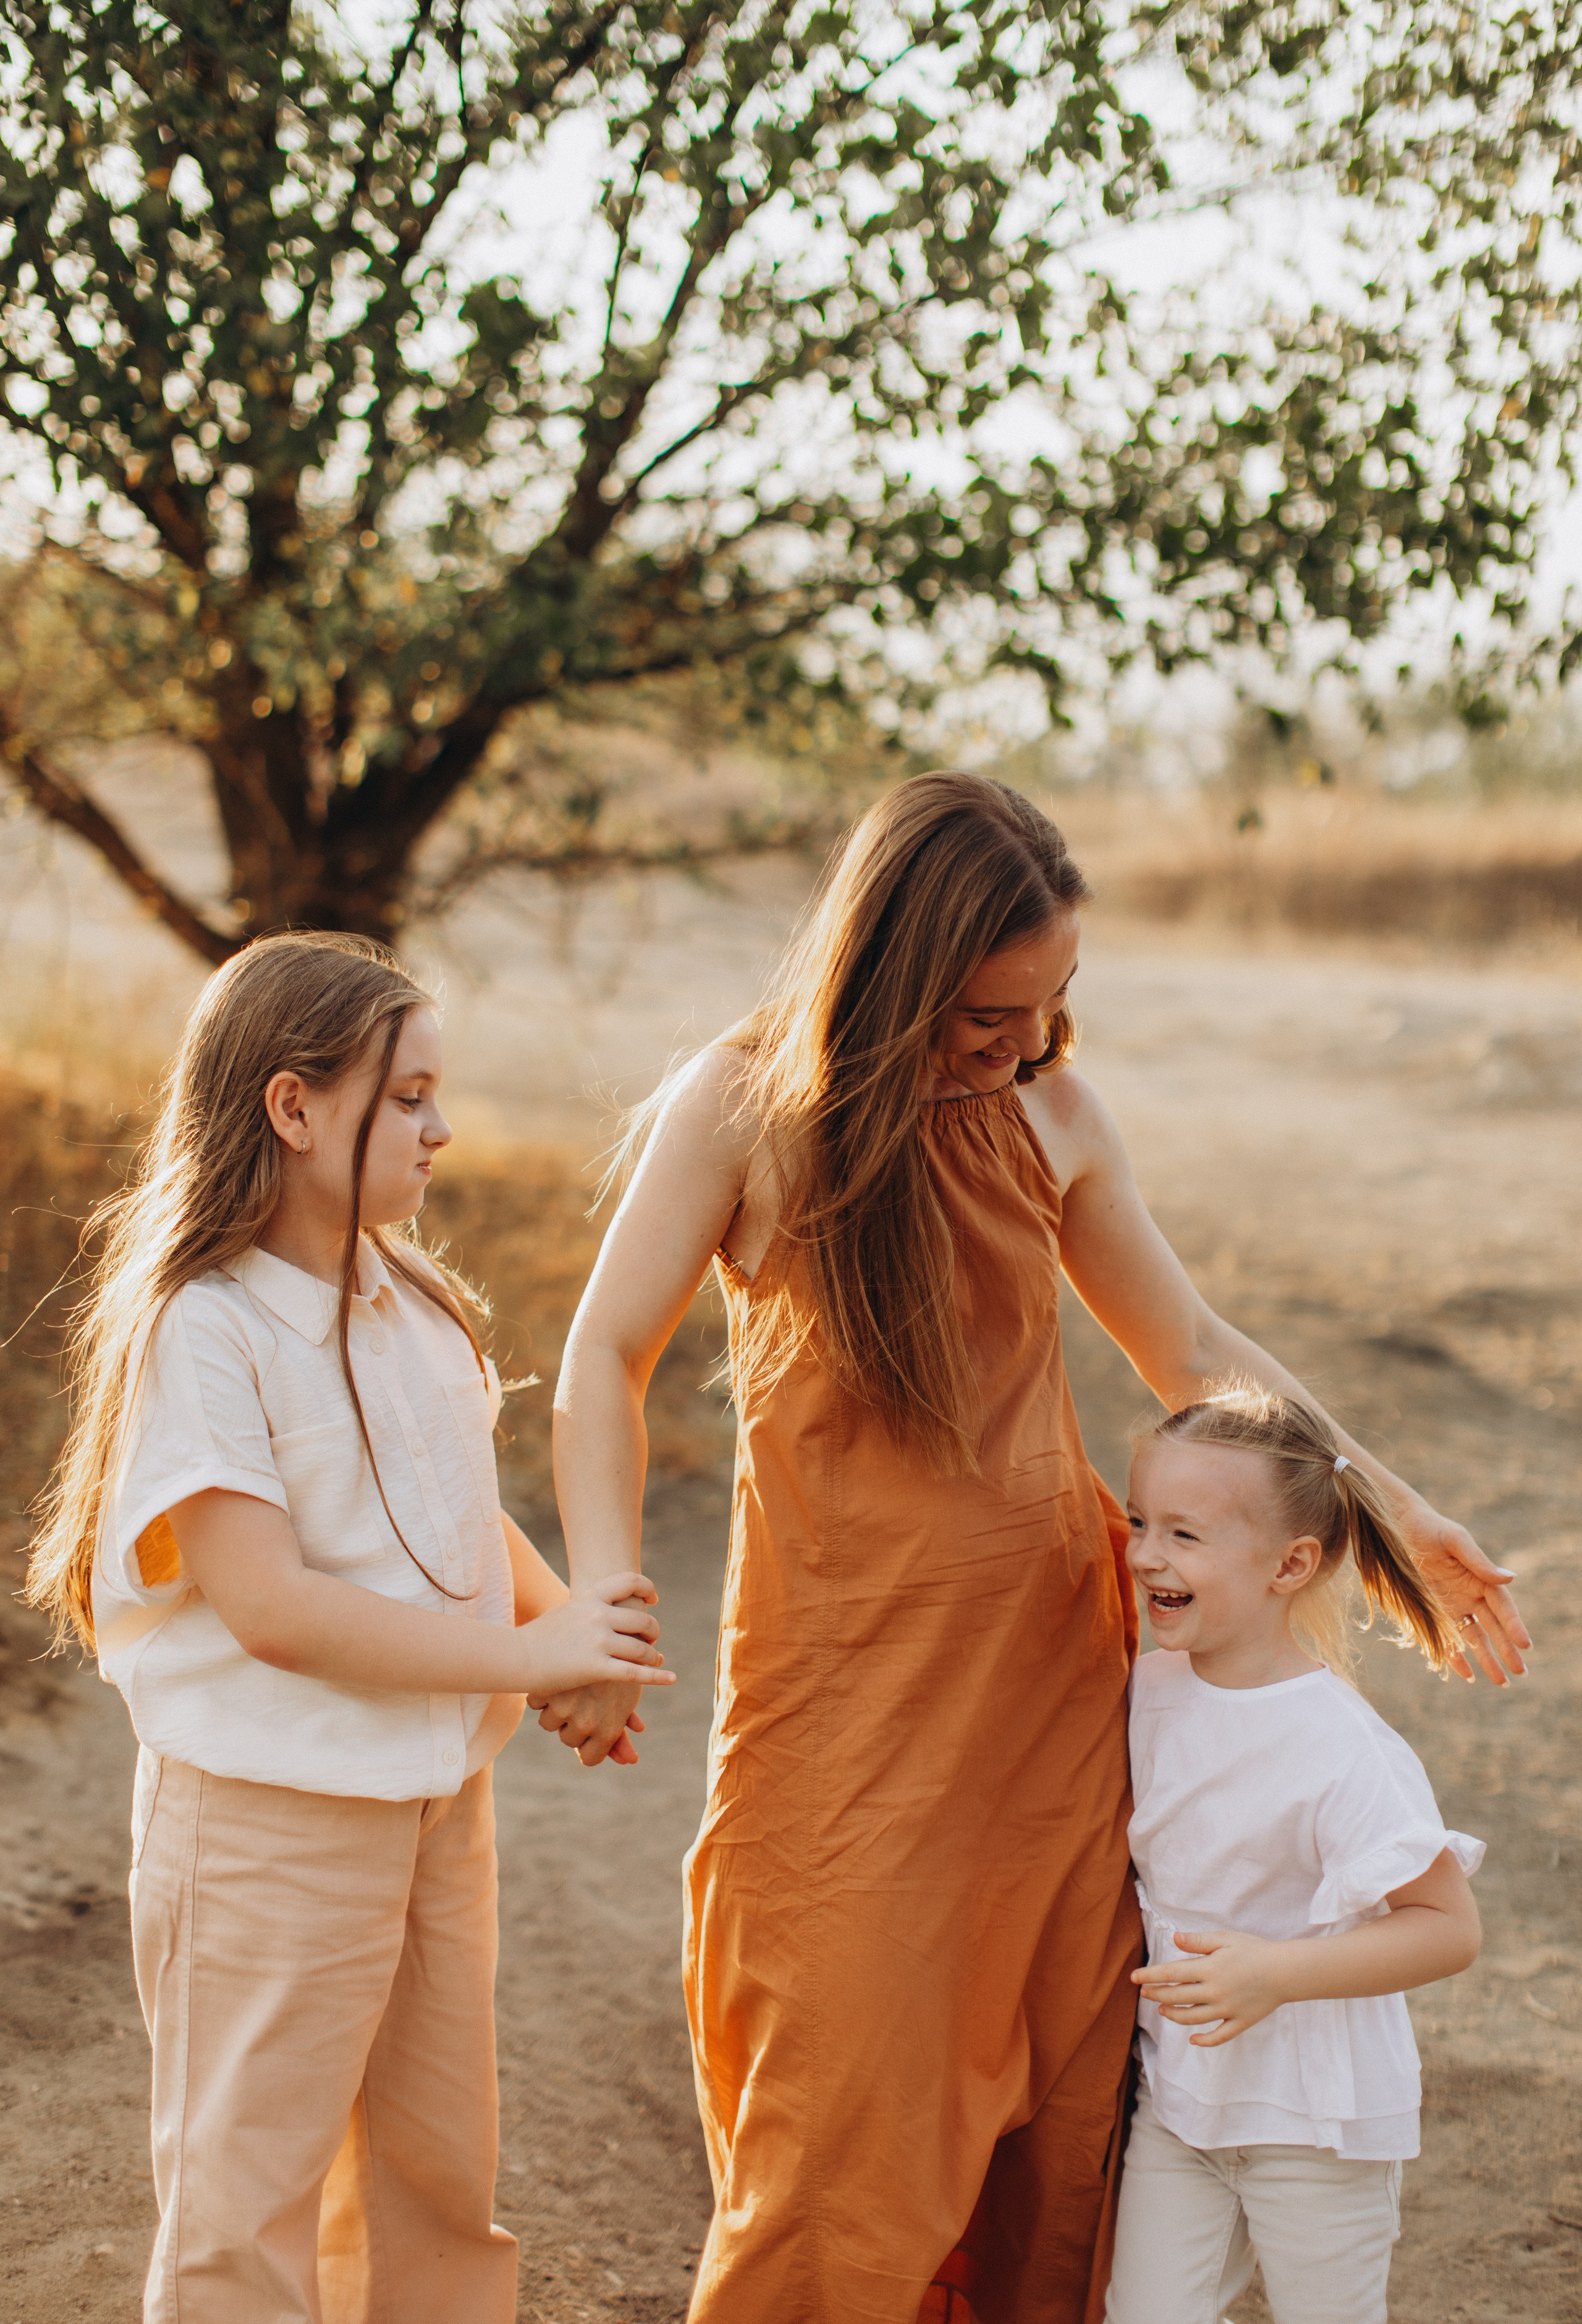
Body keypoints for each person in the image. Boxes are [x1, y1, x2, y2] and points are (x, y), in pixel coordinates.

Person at [544, 771, 1528, 2324]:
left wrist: (1390, 1506)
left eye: (1053, 1000)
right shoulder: (741, 1109)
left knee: (1058, 2135)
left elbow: (1192, 1345)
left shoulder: (1050, 1112)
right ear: (889, 974)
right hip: (836, 1693)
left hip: (1060, 1690)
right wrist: (605, 1593)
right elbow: (603, 1354)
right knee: (831, 2134)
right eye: (985, 1012)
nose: (1024, 1041)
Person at [26, 933, 674, 2324]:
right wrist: (527, 1658)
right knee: (243, 2207)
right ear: (294, 1107)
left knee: (438, 2176)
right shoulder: (204, 1327)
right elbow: (268, 1608)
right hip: (269, 1823)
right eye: (412, 1095)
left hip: (437, 1806)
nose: (444, 1128)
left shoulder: (415, 1299)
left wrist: (575, 1643)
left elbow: (454, 1520)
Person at [1110, 1381, 1485, 2324]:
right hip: (1182, 2103)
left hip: (1318, 2123)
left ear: (1290, 1565)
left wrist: (1278, 1972)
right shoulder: (1146, 1689)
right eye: (1139, 1520)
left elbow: (1447, 1929)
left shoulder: (1342, 1749)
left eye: (1185, 1535)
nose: (1147, 1553)